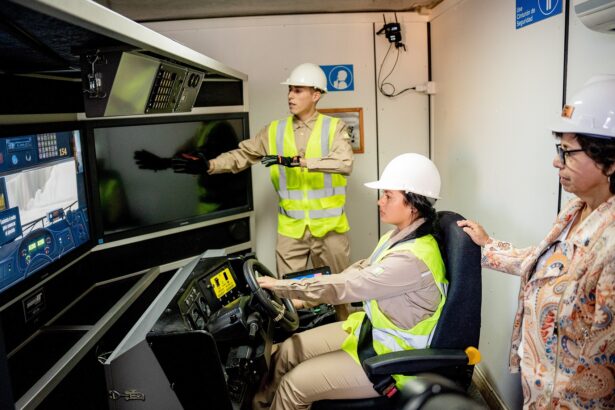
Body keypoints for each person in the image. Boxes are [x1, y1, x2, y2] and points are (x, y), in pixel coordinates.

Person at [458, 75, 615, 409]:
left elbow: (603, 356)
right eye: (559, 150)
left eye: (568, 152)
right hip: (541, 384)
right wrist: (489, 246)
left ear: (611, 160)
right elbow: (551, 265)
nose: (556, 162)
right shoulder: (577, 209)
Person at [253, 153, 447, 410]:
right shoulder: (399, 236)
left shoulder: (411, 259)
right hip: (370, 332)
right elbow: (355, 273)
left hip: (392, 355)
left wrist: (281, 287)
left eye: (388, 196)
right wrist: (298, 300)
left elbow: (347, 287)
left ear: (413, 204)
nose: (380, 201)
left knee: (293, 385)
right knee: (289, 350)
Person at [171, 63, 354, 288]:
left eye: (297, 90)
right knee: (288, 293)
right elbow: (242, 154)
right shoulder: (274, 130)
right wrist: (210, 164)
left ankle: (343, 324)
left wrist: (301, 162)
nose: (290, 96)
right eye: (289, 90)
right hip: (291, 231)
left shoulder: (335, 128)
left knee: (338, 291)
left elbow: (344, 163)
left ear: (316, 95)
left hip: (330, 230)